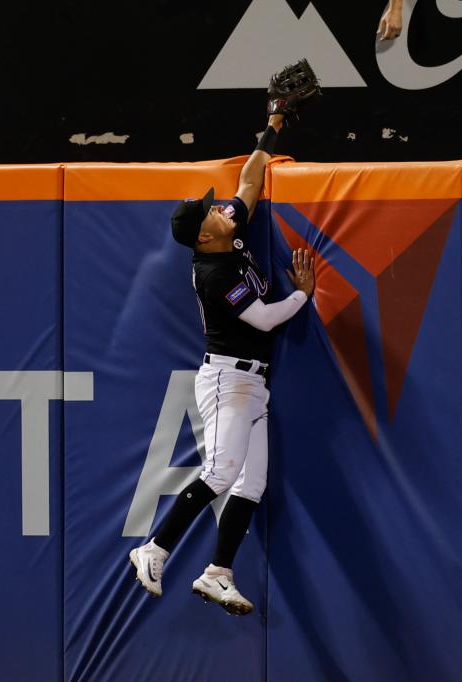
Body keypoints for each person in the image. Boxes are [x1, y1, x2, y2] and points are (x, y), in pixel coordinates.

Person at [128, 109, 316, 616]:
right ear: (204, 237)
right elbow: (263, 319)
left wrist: (274, 123)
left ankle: (218, 573)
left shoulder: (224, 229)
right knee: (220, 470)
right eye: (212, 213)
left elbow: (250, 178)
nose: (222, 211)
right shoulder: (213, 270)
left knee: (250, 483)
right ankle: (154, 548)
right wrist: (303, 295)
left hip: (252, 382)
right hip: (228, 378)